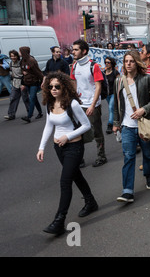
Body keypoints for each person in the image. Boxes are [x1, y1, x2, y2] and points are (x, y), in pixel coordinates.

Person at [37, 72, 98, 236]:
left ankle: (59, 220)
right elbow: (48, 126)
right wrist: (41, 147)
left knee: (65, 181)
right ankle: (90, 201)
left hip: (74, 147)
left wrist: (67, 136)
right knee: (76, 175)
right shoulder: (50, 103)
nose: (53, 89)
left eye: (57, 86)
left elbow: (86, 125)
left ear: (64, 86)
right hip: (59, 148)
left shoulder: (72, 104)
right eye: (50, 87)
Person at [113, 51, 150, 203]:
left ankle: (149, 175)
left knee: (147, 154)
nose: (128, 64)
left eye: (131, 61)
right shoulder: (119, 81)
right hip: (127, 126)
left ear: (137, 63)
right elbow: (116, 104)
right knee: (129, 157)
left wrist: (143, 109)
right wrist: (116, 123)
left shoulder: (146, 79)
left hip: (144, 124)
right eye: (126, 61)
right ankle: (127, 191)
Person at [70, 39, 107, 167]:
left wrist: (92, 105)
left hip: (92, 105)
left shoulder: (94, 66)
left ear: (84, 51)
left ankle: (101, 156)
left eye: (76, 50)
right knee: (79, 133)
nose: (73, 52)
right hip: (79, 105)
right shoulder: (74, 66)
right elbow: (74, 84)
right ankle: (80, 158)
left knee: (96, 132)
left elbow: (98, 87)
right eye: (73, 49)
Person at [20, 47, 44, 123]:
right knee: (34, 99)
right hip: (27, 82)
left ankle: (29, 116)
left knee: (32, 98)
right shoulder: (22, 61)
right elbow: (23, 72)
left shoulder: (32, 61)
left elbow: (38, 72)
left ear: (24, 52)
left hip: (34, 82)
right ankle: (40, 112)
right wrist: (23, 83)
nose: (19, 53)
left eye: (20, 51)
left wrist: (43, 81)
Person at [4, 50, 30, 120]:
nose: (13, 57)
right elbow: (11, 71)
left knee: (25, 99)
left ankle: (29, 113)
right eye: (11, 56)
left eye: (14, 56)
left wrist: (23, 84)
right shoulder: (10, 63)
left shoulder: (21, 63)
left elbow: (25, 73)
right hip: (15, 83)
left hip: (22, 83)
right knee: (13, 98)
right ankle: (11, 115)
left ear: (17, 56)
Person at [104, 57, 120, 134]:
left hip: (114, 93)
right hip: (107, 94)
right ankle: (116, 121)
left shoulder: (115, 72)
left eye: (108, 62)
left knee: (111, 108)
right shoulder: (103, 73)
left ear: (112, 63)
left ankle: (109, 124)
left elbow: (119, 83)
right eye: (106, 62)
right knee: (112, 109)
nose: (107, 64)